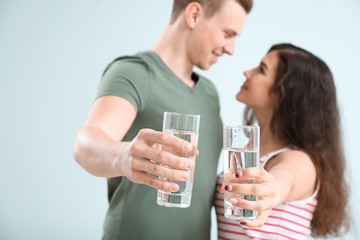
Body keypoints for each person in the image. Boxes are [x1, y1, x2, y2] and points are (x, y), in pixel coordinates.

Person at [73, 0, 253, 239]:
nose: (231, 49)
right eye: (227, 33)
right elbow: (86, 143)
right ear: (194, 14)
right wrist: (124, 156)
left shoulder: (210, 93)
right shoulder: (134, 72)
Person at [215, 43, 350, 239]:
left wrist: (272, 190)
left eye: (261, 69)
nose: (247, 72)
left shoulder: (299, 161)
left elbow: (286, 179)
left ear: (285, 92)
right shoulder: (248, 152)